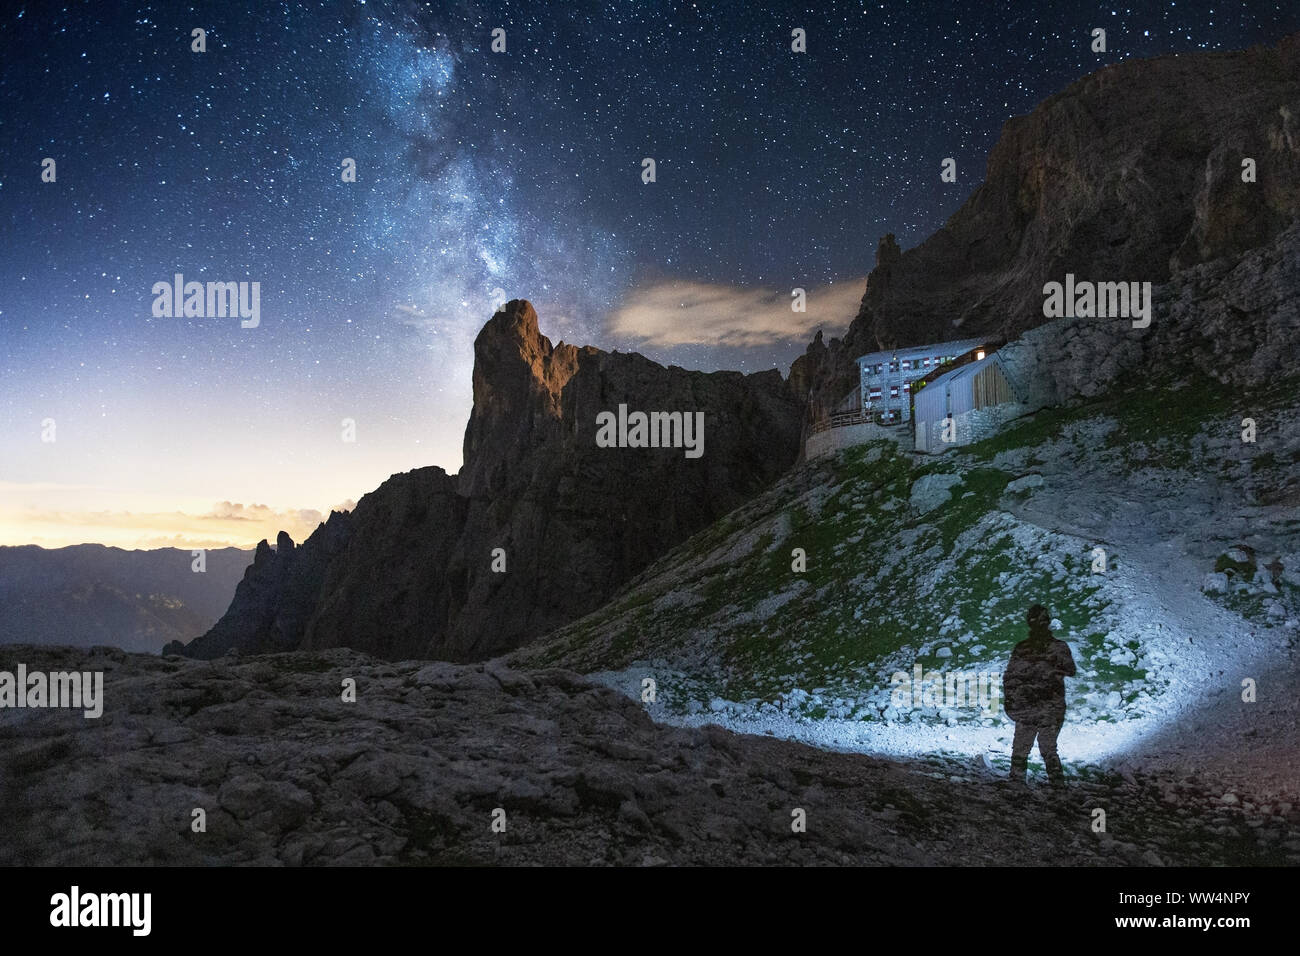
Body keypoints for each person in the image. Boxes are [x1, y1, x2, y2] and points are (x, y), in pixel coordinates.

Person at [1002, 604, 1076, 788]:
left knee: (1034, 749)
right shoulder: (1032, 648)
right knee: (1035, 748)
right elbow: (1010, 678)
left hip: (1042, 707)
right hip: (1038, 707)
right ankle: (1053, 789)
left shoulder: (1050, 648)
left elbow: (1069, 670)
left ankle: (1023, 787)